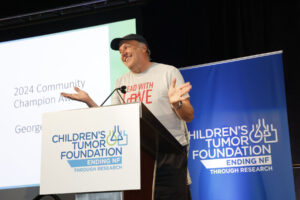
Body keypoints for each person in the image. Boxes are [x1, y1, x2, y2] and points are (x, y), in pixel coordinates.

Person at [61, 34, 194, 200]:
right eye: (119, 51)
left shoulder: (167, 72)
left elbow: (188, 116)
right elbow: (112, 120)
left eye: (126, 47)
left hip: (169, 156)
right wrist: (89, 101)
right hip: (136, 158)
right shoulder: (121, 82)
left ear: (143, 48)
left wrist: (177, 104)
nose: (122, 52)